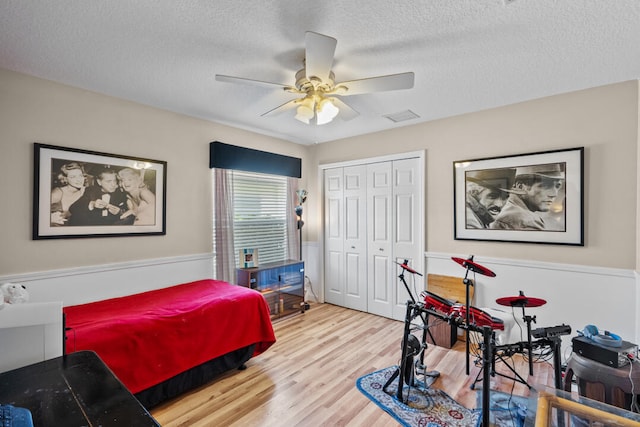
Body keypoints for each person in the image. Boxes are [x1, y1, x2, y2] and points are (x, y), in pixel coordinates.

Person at [490, 163, 565, 231]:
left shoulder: (507, 208)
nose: (554, 194)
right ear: (520, 187)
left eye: (557, 186)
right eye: (546, 186)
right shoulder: (527, 221)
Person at [68, 168, 134, 226]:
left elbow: (131, 213)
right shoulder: (91, 191)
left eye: (114, 181)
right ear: (99, 182)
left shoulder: (121, 193)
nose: (113, 184)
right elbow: (73, 208)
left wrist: (119, 212)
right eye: (109, 181)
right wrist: (92, 204)